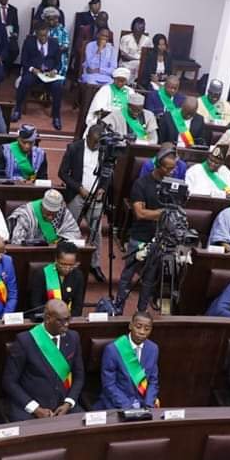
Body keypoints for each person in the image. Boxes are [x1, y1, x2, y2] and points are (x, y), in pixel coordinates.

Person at [2, 299, 84, 421]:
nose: (66, 324)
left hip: (63, 404)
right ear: (47, 318)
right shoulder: (25, 341)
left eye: (68, 319)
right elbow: (9, 382)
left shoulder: (73, 337)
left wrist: (68, 403)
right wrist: (35, 409)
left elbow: (79, 376)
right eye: (60, 320)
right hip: (31, 406)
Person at [116, 151, 173, 312]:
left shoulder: (172, 185)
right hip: (140, 236)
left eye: (173, 168)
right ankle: (119, 307)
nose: (172, 172)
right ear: (158, 166)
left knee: (149, 279)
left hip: (160, 238)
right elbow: (140, 213)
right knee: (128, 275)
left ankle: (141, 311)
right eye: (168, 169)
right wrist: (163, 213)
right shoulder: (141, 184)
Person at [58, 124, 106, 281]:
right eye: (93, 143)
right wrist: (79, 188)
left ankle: (94, 264)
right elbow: (62, 173)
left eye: (98, 143)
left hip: (96, 197)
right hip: (77, 195)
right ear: (87, 138)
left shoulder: (105, 150)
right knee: (69, 230)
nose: (96, 146)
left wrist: (102, 188)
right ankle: (65, 261)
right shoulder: (74, 148)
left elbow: (107, 174)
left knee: (96, 232)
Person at [94, 311, 159, 410]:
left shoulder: (153, 349)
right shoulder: (113, 349)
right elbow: (109, 385)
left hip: (143, 404)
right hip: (117, 404)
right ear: (130, 326)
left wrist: (149, 404)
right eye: (138, 327)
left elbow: (153, 381)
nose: (142, 332)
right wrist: (128, 407)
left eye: (147, 329)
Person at [14, 23, 64, 129]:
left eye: (45, 35)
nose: (43, 38)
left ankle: (56, 116)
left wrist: (54, 71)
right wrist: (32, 69)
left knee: (58, 86)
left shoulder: (54, 43)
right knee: (25, 81)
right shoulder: (29, 42)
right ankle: (17, 110)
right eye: (41, 36)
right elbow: (24, 60)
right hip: (34, 73)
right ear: (36, 34)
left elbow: (59, 63)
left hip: (48, 74)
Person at [29, 241, 85, 316]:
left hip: (68, 319)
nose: (67, 268)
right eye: (63, 264)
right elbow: (36, 304)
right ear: (56, 260)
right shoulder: (42, 274)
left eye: (71, 265)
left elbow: (78, 306)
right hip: (47, 318)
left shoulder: (78, 276)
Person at [8, 189, 81, 244]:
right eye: (47, 213)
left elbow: (75, 235)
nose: (50, 218)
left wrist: (62, 242)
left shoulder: (63, 212)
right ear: (42, 205)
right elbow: (16, 241)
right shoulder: (26, 214)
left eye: (54, 214)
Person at [40, 8, 69, 77]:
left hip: (58, 55)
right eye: (50, 19)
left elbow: (66, 45)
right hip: (42, 54)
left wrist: (55, 51)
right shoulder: (40, 29)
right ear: (45, 19)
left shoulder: (62, 30)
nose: (53, 21)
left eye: (55, 19)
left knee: (59, 62)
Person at [0, 0, 20, 64]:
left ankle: (5, 65)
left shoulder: (13, 9)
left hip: (9, 35)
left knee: (15, 50)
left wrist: (15, 33)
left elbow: (16, 24)